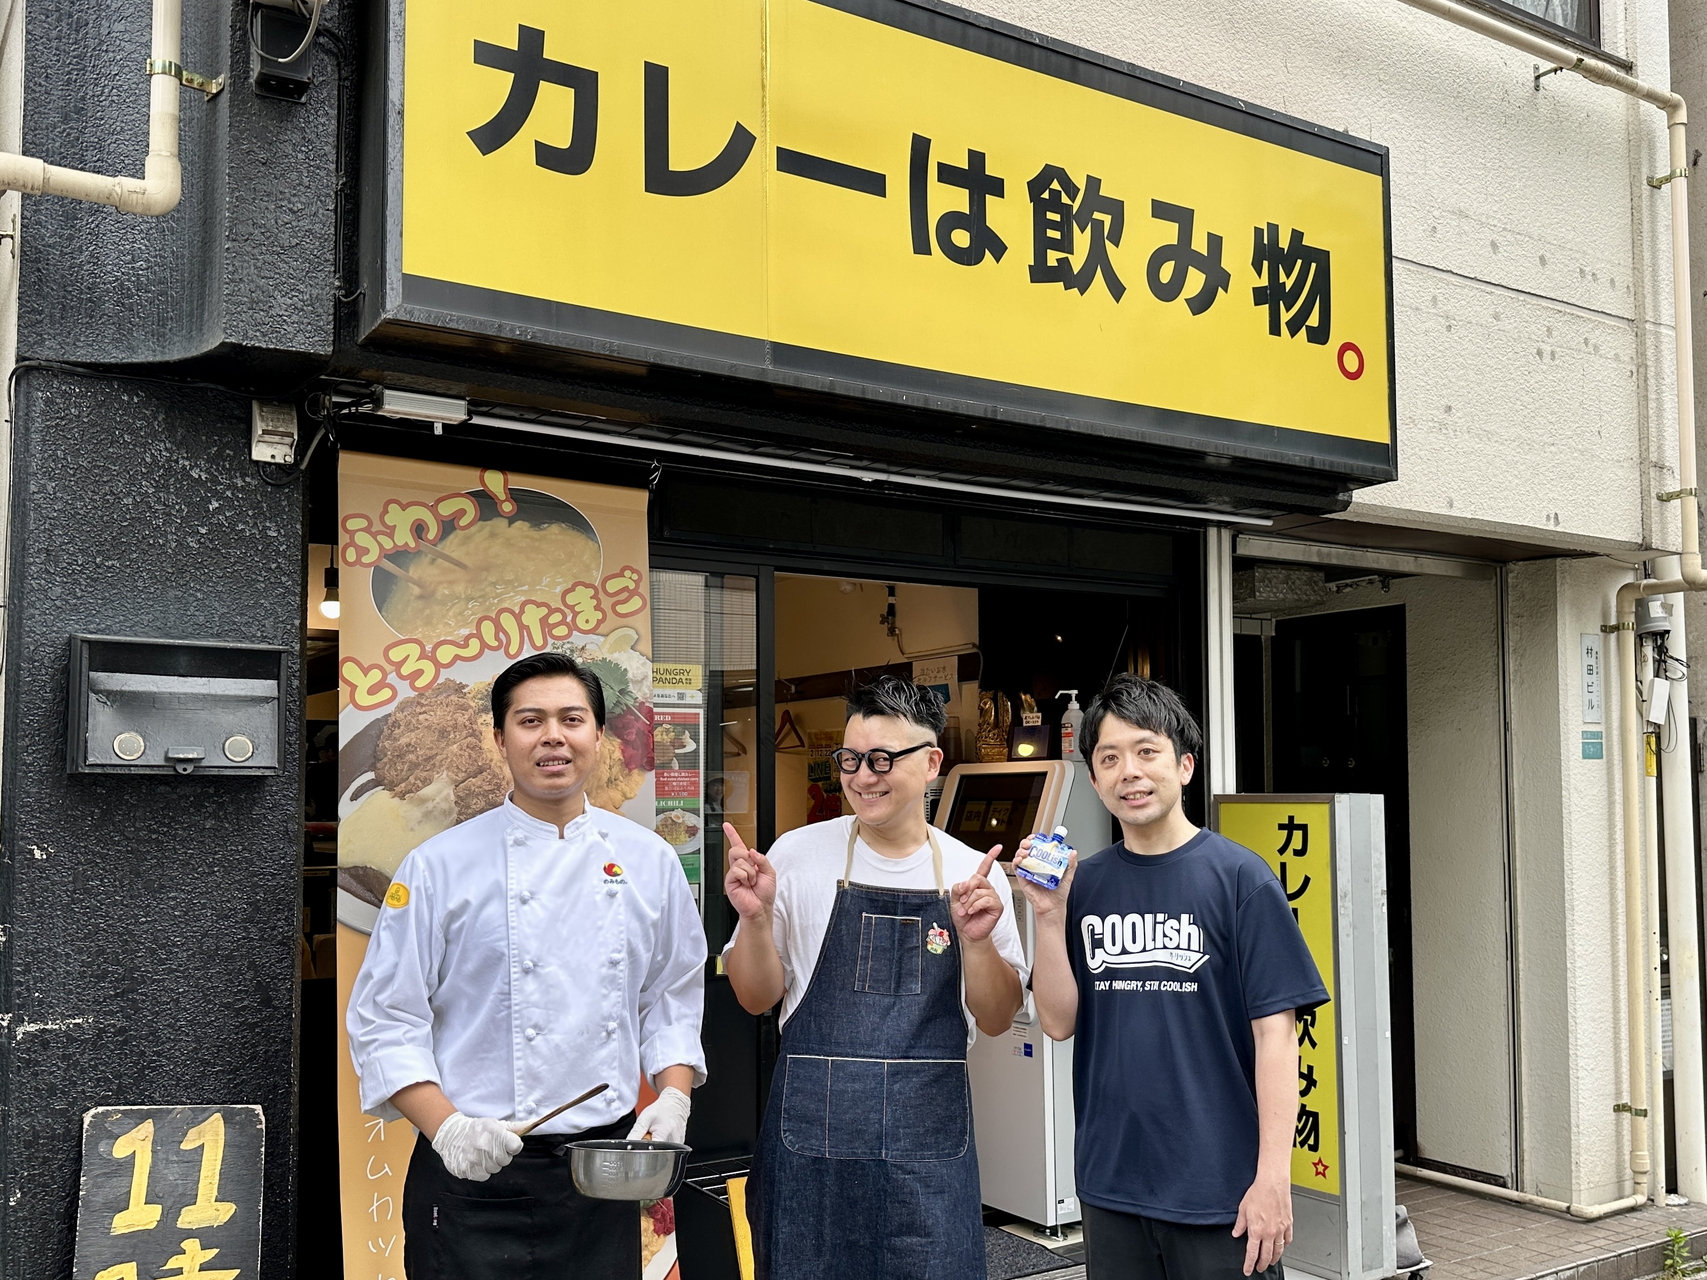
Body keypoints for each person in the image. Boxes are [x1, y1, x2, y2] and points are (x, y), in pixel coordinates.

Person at [348, 651, 707, 1280]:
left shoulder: (649, 859)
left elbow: (671, 994)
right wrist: (448, 1130)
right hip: (470, 1171)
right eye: (530, 720)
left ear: (599, 735)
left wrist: (674, 1096)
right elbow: (385, 1018)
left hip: (601, 1173)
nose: (553, 737)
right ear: (498, 739)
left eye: (572, 719)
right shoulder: (438, 865)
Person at [1017, 675, 1328, 1280]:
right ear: (1095, 779)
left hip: (1223, 1191)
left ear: (1185, 766)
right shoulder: (1085, 884)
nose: (1129, 772)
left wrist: (1273, 1179)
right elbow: (1056, 1022)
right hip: (1112, 1184)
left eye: (1146, 751)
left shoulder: (1240, 879)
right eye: (1109, 758)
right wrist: (1049, 917)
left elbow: (1277, 1037)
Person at [724, 675, 1028, 1280]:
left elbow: (996, 1019)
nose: (863, 777)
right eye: (851, 759)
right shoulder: (796, 855)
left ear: (932, 763)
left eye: (883, 759)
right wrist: (754, 920)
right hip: (811, 1150)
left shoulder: (972, 872)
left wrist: (976, 942)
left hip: (928, 1156)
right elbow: (756, 998)